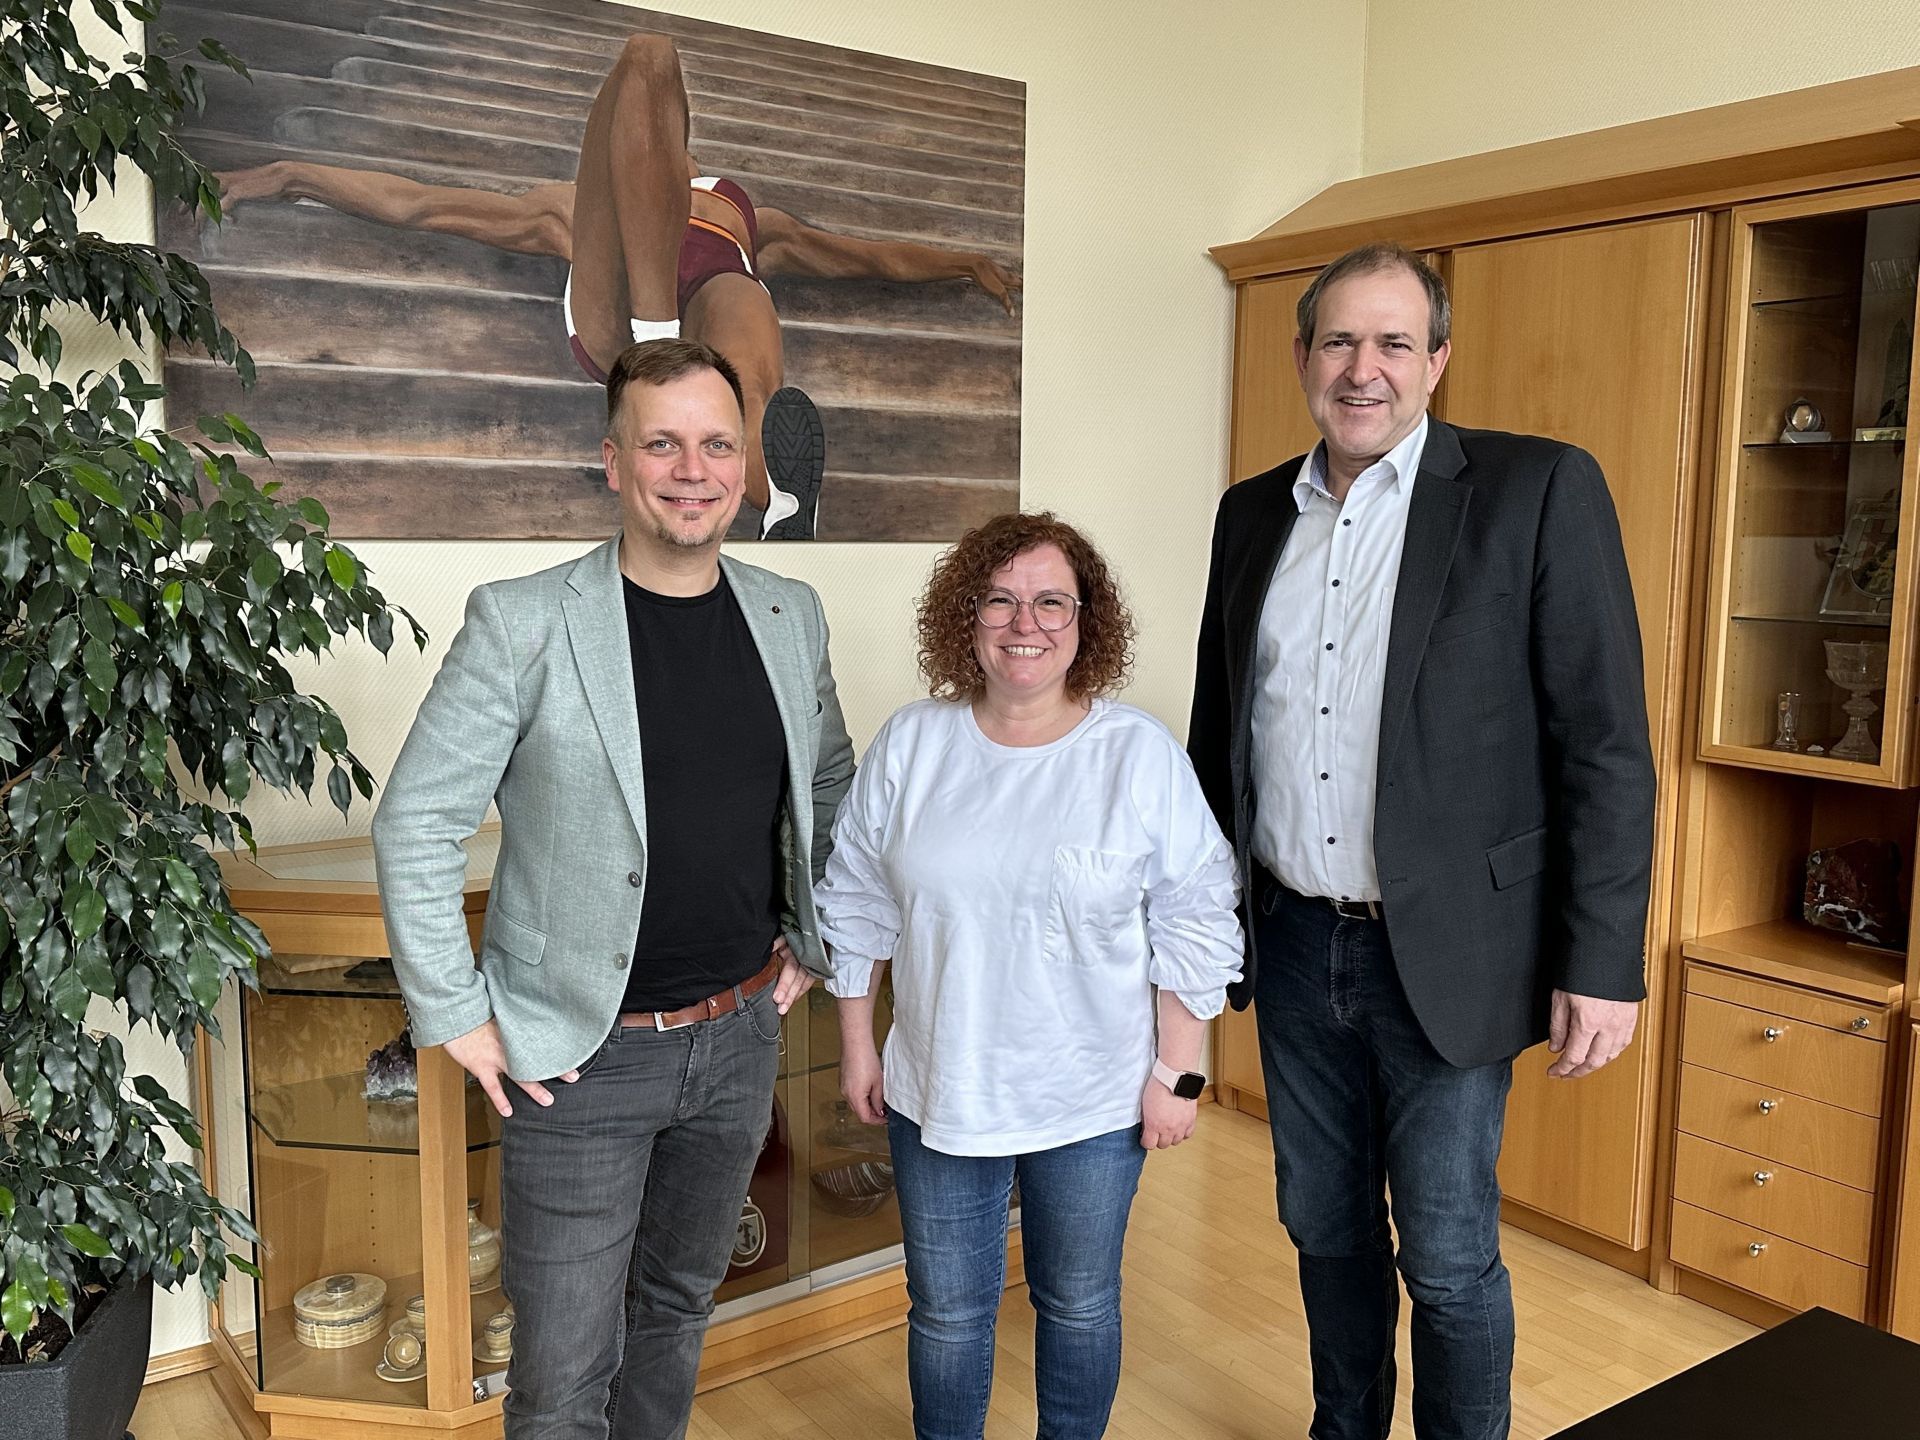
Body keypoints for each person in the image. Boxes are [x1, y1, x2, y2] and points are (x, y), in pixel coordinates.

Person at [1186, 243, 1655, 1440]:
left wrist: (1603, 960)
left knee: (1446, 1258)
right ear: (1302, 357)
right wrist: (1197, 937)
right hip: (1293, 942)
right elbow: (1217, 737)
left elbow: (1605, 743)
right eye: (1340, 341)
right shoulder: (1251, 515)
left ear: (1437, 360)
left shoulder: (1536, 490)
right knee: (1323, 1229)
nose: (1365, 369)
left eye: (1395, 342)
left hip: (1448, 951)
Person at [371, 337, 855, 1439]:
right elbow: (417, 820)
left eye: (717, 444)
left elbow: (830, 783)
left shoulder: (791, 615)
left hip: (739, 1039)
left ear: (746, 465)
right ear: (612, 461)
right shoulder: (523, 621)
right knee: (561, 1379)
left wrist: (810, 933)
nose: (693, 470)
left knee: (676, 1310)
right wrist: (454, 1014)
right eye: (662, 444)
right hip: (577, 1061)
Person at [215, 32, 1022, 541]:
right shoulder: (572, 207)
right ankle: (656, 338)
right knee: (648, 54)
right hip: (619, 318)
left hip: (710, 306)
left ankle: (774, 495)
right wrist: (290, 174)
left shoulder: (741, 212)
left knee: (742, 301)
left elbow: (865, 258)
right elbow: (421, 206)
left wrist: (961, 263)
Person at [816, 511, 1244, 1440]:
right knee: (946, 1313)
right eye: (1000, 601)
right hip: (941, 1087)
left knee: (1080, 1304)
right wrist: (857, 1045)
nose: (1026, 624)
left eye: (1052, 602)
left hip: (1092, 1097)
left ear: (1087, 621)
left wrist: (1179, 1074)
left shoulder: (1136, 755)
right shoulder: (913, 744)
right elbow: (855, 899)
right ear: (964, 617)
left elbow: (1195, 914)